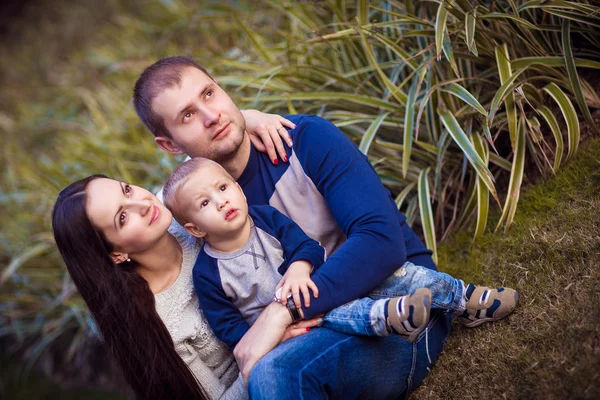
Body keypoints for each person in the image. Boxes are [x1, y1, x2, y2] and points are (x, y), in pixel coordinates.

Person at [131, 55, 496, 398]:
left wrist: (281, 312)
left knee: (274, 373)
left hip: (401, 308)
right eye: (188, 116)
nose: (212, 115)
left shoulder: (304, 139)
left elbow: (381, 242)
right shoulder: (192, 210)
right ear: (169, 144)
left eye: (210, 93)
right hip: (319, 337)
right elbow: (137, 219)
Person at [52, 112, 320, 400]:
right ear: (116, 254)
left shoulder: (188, 212)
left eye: (126, 189)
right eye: (122, 217)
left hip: (307, 314)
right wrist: (263, 346)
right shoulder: (155, 321)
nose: (141, 203)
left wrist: (248, 119)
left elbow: (203, 148)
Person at [163, 157, 518, 349]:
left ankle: (465, 298)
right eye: (205, 202)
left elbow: (307, 246)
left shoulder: (264, 218)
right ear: (194, 228)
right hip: (294, 328)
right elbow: (227, 329)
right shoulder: (208, 273)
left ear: (238, 189)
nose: (221, 200)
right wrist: (274, 333)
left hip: (315, 288)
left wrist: (301, 268)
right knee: (339, 314)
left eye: (223, 187)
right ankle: (396, 316)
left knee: (397, 274)